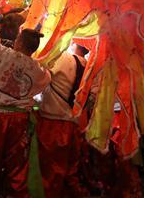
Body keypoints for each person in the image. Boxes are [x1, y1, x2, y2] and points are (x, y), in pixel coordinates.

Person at [0, 27, 50, 198]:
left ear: (18, 41)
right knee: (17, 168)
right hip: (20, 120)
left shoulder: (0, 53)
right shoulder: (38, 70)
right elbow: (45, 80)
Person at [36, 47, 88, 198]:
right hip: (74, 123)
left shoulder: (60, 58)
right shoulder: (88, 64)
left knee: (50, 172)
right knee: (70, 172)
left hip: (52, 123)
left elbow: (38, 80)